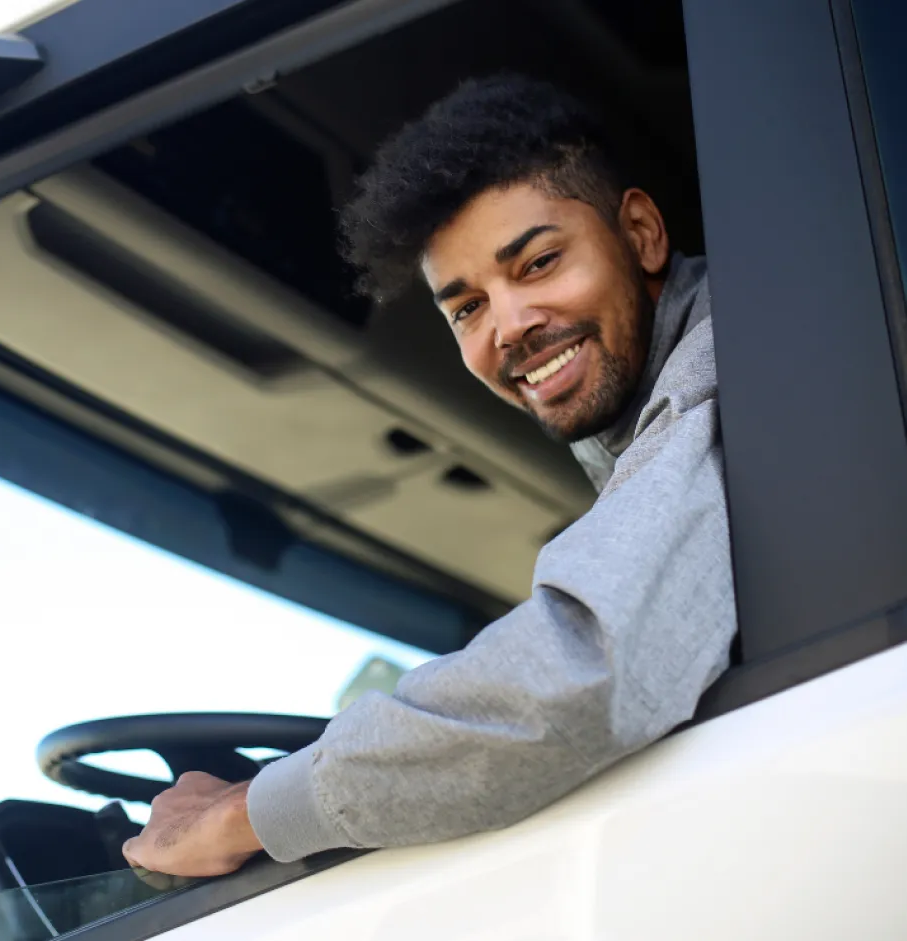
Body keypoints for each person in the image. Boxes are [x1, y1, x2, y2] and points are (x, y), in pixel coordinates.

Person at [122, 74, 737, 877]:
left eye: (539, 262)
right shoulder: (663, 418)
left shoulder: (727, 368)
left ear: (641, 232)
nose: (509, 326)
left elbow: (584, 669)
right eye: (466, 308)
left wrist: (247, 812)